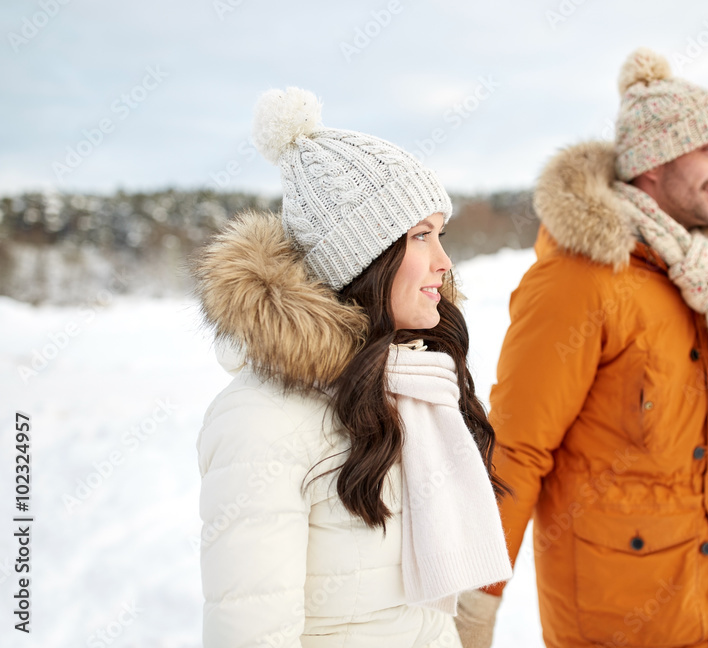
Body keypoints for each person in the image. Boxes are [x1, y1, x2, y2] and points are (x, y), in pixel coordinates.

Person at [454, 48, 708, 648]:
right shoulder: (578, 282)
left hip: (704, 610)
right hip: (611, 622)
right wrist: (474, 608)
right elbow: (515, 451)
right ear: (654, 163)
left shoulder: (691, 276)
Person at [193, 87, 511, 648]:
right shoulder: (261, 421)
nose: (444, 261)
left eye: (442, 235)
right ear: (363, 259)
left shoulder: (414, 385)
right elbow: (252, 632)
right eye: (420, 236)